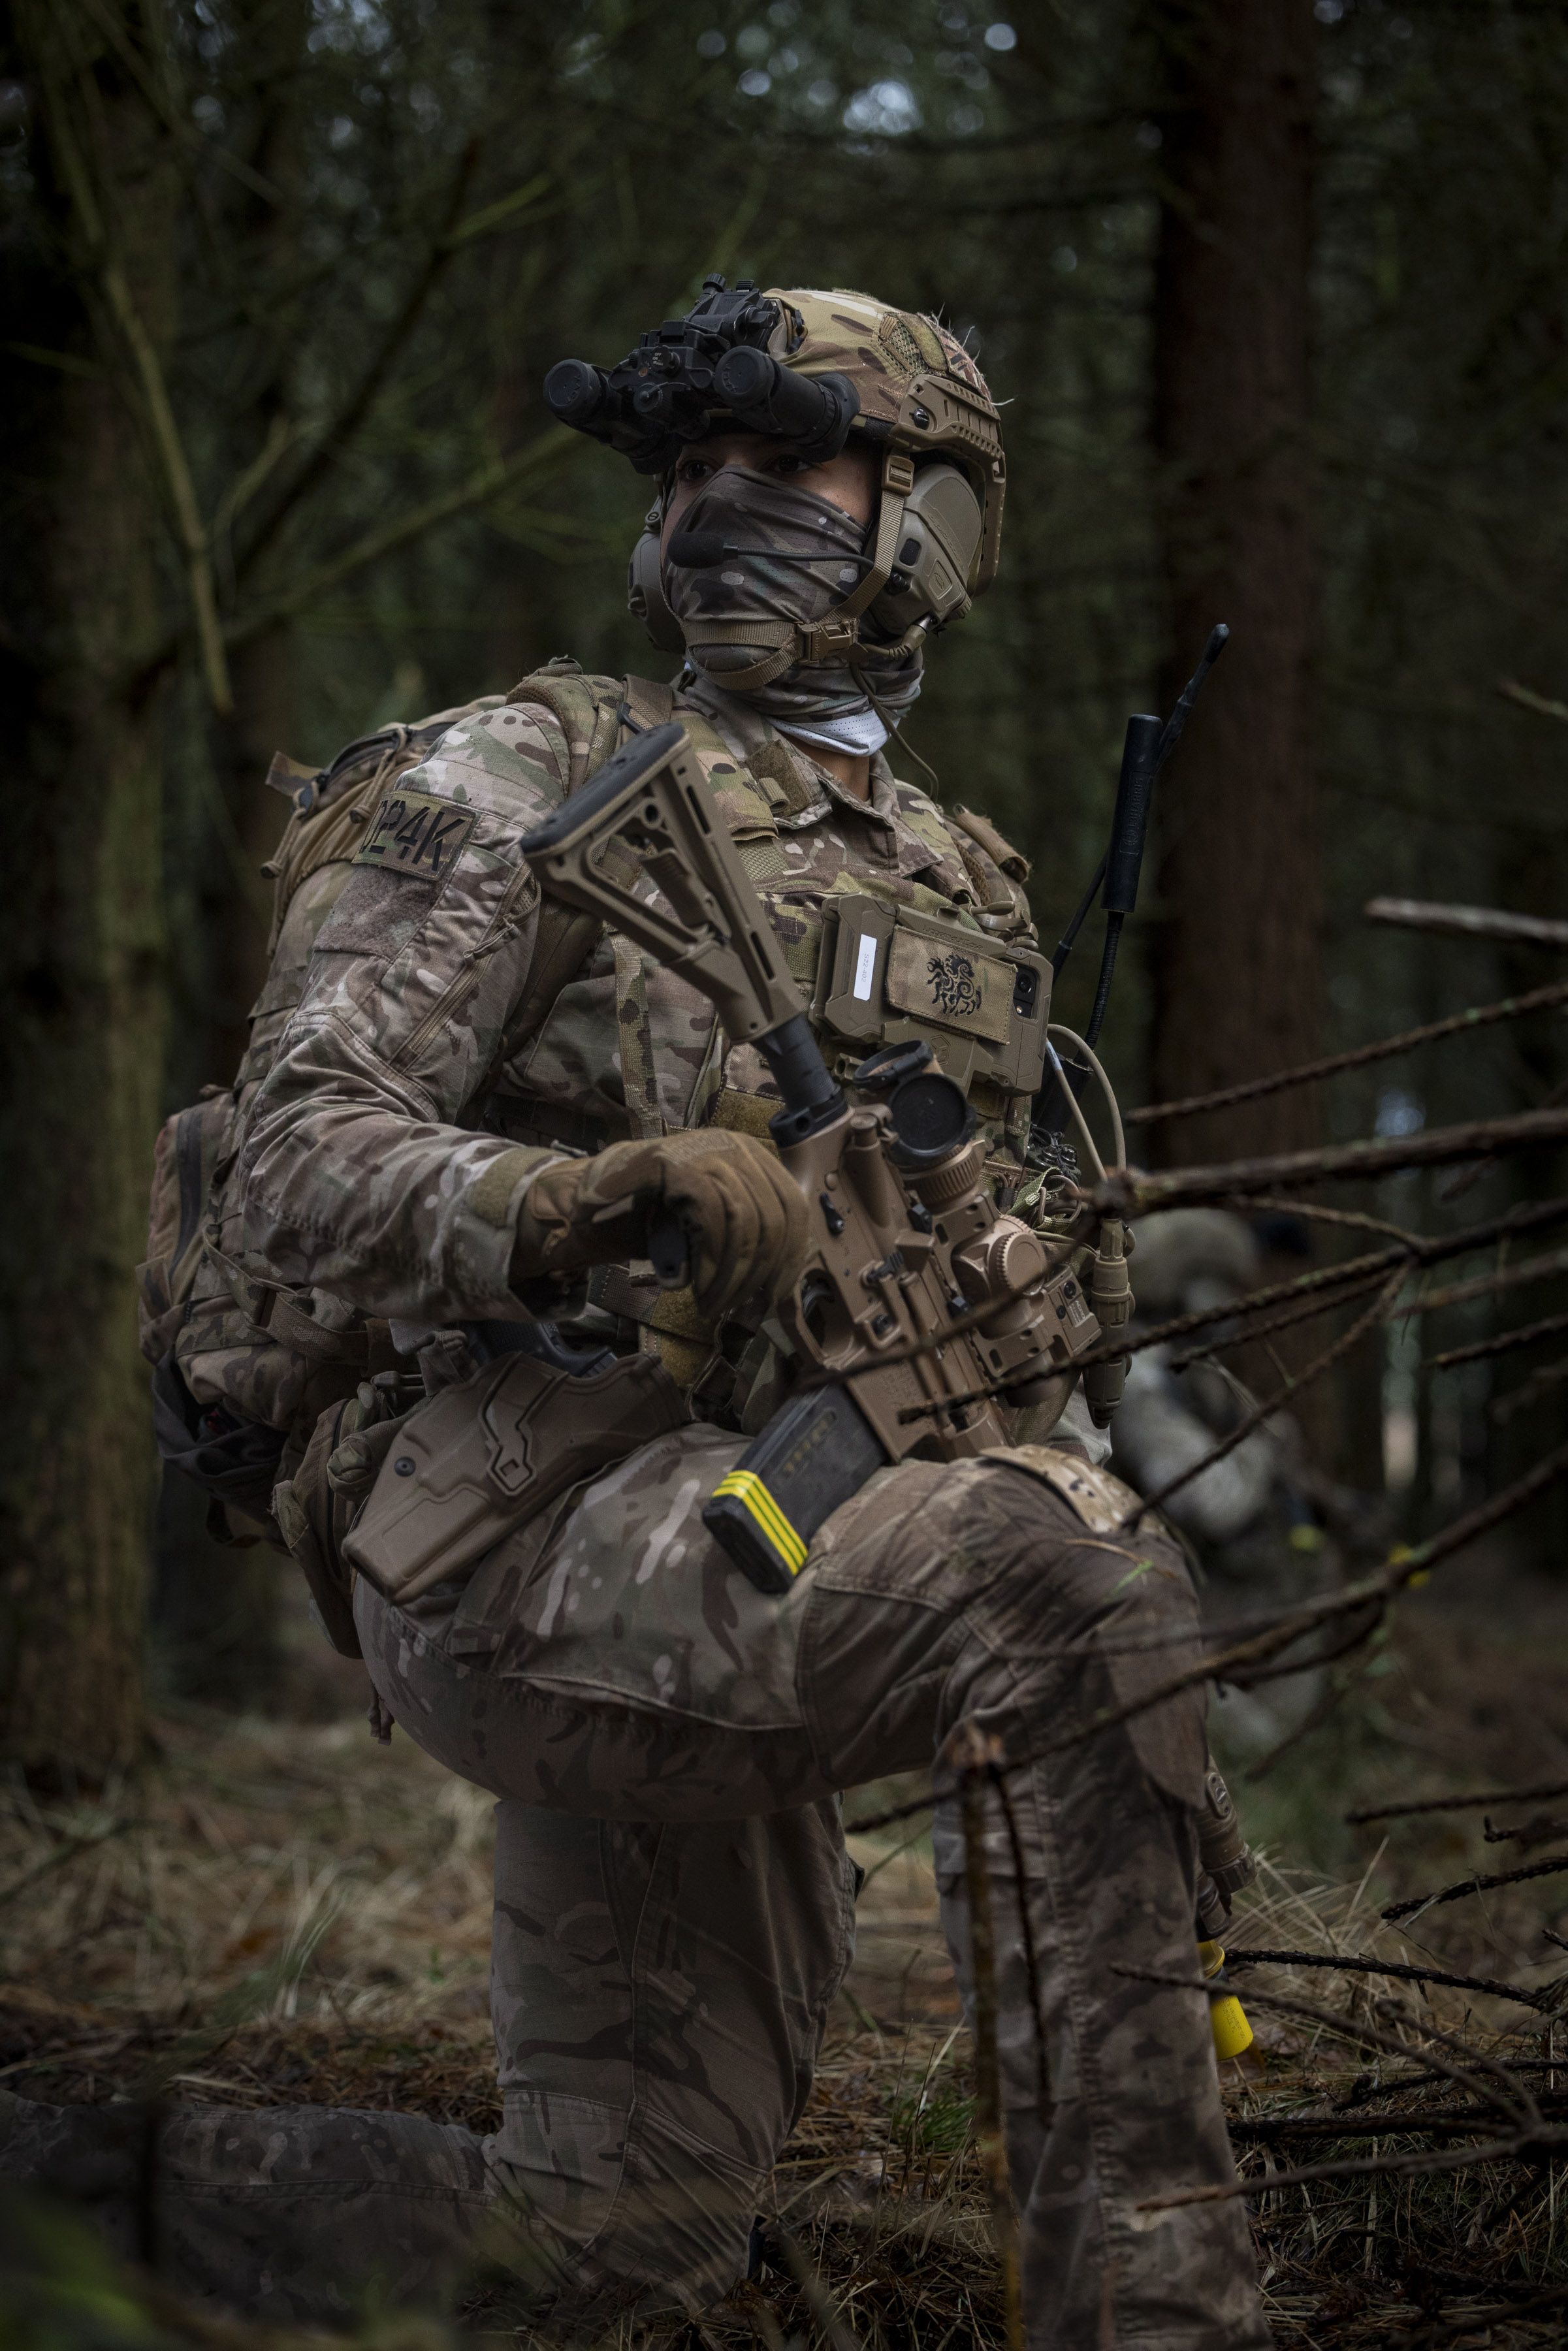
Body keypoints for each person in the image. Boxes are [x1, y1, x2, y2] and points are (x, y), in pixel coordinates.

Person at [1, 280, 1269, 2350]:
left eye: (786, 464)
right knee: (1061, 1583)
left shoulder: (963, 876)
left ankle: (51, 2195)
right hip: (511, 1525)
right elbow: (296, 1150)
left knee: (604, 2250)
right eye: (691, 467)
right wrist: (570, 1201)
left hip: (778, 1541)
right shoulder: (527, 767)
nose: (717, 506)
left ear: (931, 518)